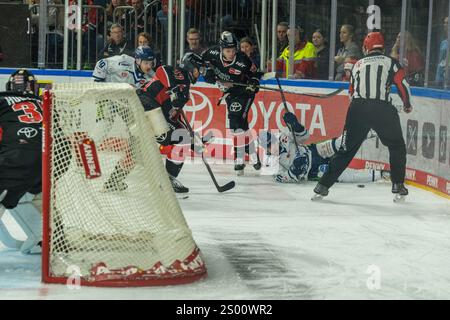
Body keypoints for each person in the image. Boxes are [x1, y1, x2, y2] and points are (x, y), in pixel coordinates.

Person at [312, 32, 413, 202]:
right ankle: (397, 185)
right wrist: (407, 104)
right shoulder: (392, 63)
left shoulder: (358, 63)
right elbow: (403, 85)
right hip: (382, 109)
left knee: (346, 150)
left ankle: (322, 186)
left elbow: (351, 92)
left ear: (366, 48)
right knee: (396, 146)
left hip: (358, 108)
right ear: (382, 47)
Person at [136, 52, 205, 194]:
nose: (200, 73)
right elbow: (162, 70)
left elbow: (175, 118)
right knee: (143, 146)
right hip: (145, 104)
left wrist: (192, 140)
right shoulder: (179, 74)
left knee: (182, 138)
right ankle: (167, 180)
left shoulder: (185, 91)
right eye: (199, 69)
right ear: (192, 67)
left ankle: (168, 179)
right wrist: (173, 89)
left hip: (154, 112)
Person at [259, 112, 383, 184]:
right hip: (312, 170)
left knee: (340, 142)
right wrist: (296, 169)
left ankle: (370, 131)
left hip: (314, 151)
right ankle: (381, 174)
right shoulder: (270, 164)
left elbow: (304, 136)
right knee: (344, 175)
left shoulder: (282, 136)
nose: (273, 146)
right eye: (269, 145)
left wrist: (297, 126)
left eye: (273, 142)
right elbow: (284, 178)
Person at [201, 31, 262, 175]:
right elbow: (198, 61)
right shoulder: (212, 53)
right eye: (228, 50)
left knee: (234, 121)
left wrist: (254, 82)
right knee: (240, 124)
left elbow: (255, 74)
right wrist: (206, 71)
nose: (231, 53)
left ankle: (239, 158)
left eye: (234, 50)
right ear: (221, 49)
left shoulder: (243, 60)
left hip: (244, 93)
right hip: (230, 94)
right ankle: (252, 153)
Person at [0, 69, 43, 254]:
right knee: (29, 192)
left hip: (16, 159)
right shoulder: (45, 103)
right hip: (48, 164)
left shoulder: (2, 100)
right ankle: (45, 237)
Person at [435, 17, 449, 87]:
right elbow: (440, 60)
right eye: (444, 22)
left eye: (447, 23)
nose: (445, 25)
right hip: (441, 74)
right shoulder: (443, 43)